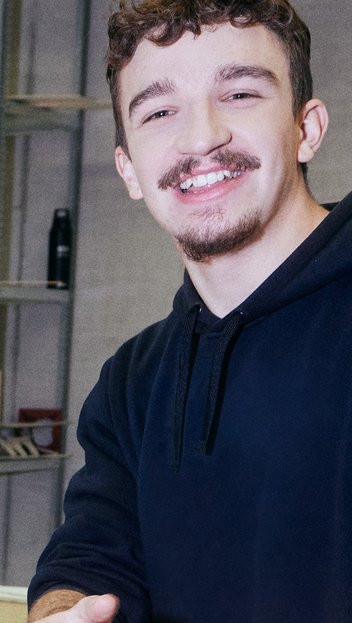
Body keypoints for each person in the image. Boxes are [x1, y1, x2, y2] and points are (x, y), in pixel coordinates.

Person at [29, 1, 349, 621]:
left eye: (239, 94)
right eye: (158, 111)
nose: (201, 137)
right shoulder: (133, 382)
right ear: (129, 170)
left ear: (306, 128)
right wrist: (63, 612)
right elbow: (90, 560)